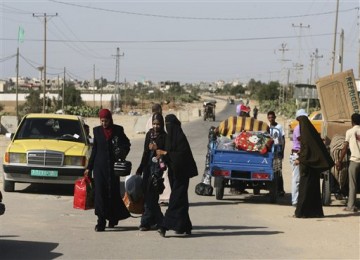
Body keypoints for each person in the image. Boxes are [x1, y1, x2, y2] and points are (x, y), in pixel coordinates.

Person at [84, 109, 131, 231]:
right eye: (102, 121)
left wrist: (122, 152)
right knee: (100, 194)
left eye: (106, 121)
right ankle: (101, 221)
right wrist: (89, 167)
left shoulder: (118, 130)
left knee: (112, 193)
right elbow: (94, 151)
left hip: (113, 169)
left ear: (110, 120)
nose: (104, 123)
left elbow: (127, 144)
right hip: (99, 168)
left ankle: (112, 218)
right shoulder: (97, 131)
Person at [156, 114, 198, 237]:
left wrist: (166, 153)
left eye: (170, 125)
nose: (168, 127)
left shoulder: (181, 138)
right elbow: (168, 155)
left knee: (175, 199)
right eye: (166, 124)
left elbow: (181, 156)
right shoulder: (169, 138)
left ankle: (164, 225)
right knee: (182, 200)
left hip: (182, 173)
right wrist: (161, 155)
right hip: (173, 173)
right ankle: (185, 225)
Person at [294, 113, 334, 218]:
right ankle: (315, 212)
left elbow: (306, 152)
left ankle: (301, 212)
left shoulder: (306, 137)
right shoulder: (311, 134)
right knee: (313, 191)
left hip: (307, 168)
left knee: (304, 190)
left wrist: (299, 159)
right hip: (313, 168)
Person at [136, 113, 166, 231]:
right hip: (148, 168)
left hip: (157, 168)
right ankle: (156, 220)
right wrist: (140, 168)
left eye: (158, 124)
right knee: (148, 195)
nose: (155, 126)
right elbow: (145, 152)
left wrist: (156, 148)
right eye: (154, 123)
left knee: (152, 195)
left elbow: (165, 151)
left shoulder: (164, 136)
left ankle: (147, 221)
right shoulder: (149, 134)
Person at [336, 113, 360, 212]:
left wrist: (340, 160)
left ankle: (351, 206)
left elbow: (345, 148)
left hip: (354, 161)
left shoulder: (350, 132)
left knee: (352, 184)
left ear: (352, 121)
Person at [290, 109, 306, 207]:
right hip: (297, 155)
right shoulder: (298, 129)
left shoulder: (304, 128)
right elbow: (303, 141)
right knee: (296, 179)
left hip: (302, 155)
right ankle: (295, 201)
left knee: (301, 179)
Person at [267, 111, 285, 197]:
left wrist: (282, 151)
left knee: (278, 170)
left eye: (272, 117)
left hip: (277, 151)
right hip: (269, 151)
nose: (271, 119)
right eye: (269, 117)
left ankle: (280, 189)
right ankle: (272, 190)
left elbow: (283, 139)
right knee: (270, 170)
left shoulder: (279, 127)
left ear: (275, 117)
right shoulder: (267, 127)